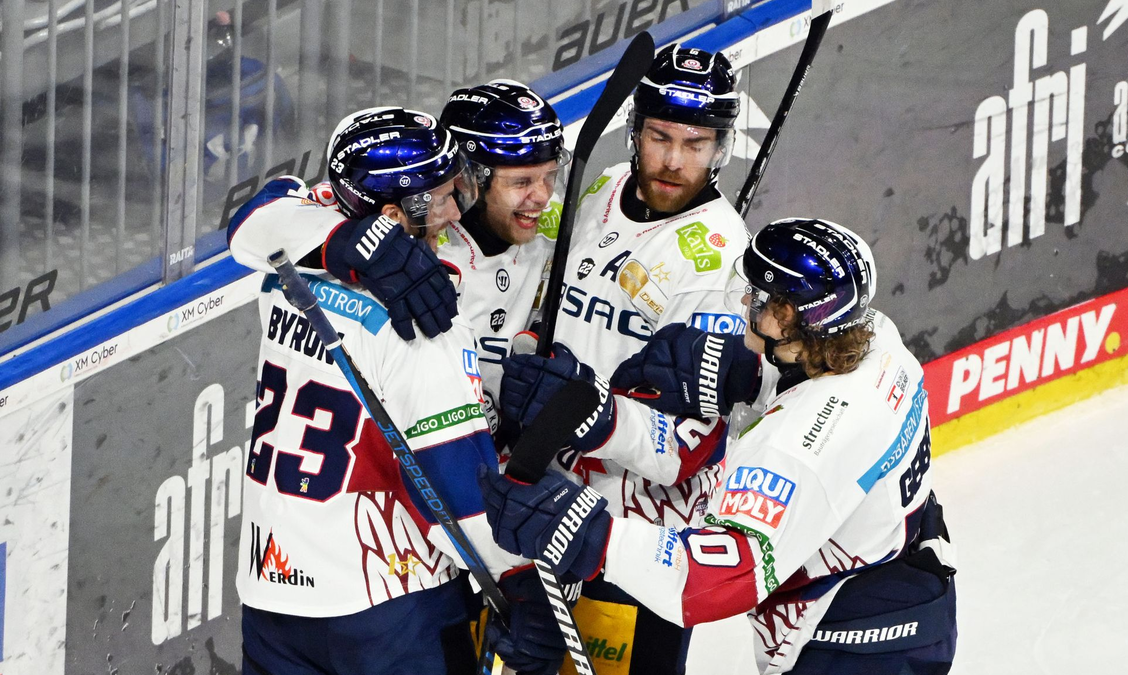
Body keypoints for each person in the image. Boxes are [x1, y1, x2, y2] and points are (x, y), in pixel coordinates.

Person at [479, 218, 958, 674]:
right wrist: (741, 372)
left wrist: (593, 536)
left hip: (858, 642)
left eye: (757, 295)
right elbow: (819, 386)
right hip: (909, 591)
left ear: (786, 316)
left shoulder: (794, 448)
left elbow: (717, 580)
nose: (745, 300)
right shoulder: (879, 341)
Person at [227, 107, 563, 675]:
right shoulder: (424, 325)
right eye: (439, 198)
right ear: (388, 215)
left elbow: (260, 215)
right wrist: (522, 584)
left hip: (271, 595)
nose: (456, 210)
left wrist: (351, 243)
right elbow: (458, 485)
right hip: (389, 606)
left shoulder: (288, 267)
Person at [496, 43, 750, 674]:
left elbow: (691, 446)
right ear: (635, 131)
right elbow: (547, 312)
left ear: (721, 148)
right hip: (544, 500)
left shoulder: (719, 258)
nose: (672, 161)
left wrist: (587, 414)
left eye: (695, 144)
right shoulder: (604, 186)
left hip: (637, 538)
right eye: (661, 137)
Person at [436, 79, 570, 436]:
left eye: (550, 177)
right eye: (522, 182)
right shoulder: (419, 241)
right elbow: (277, 213)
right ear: (468, 179)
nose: (542, 196)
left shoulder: (557, 226)